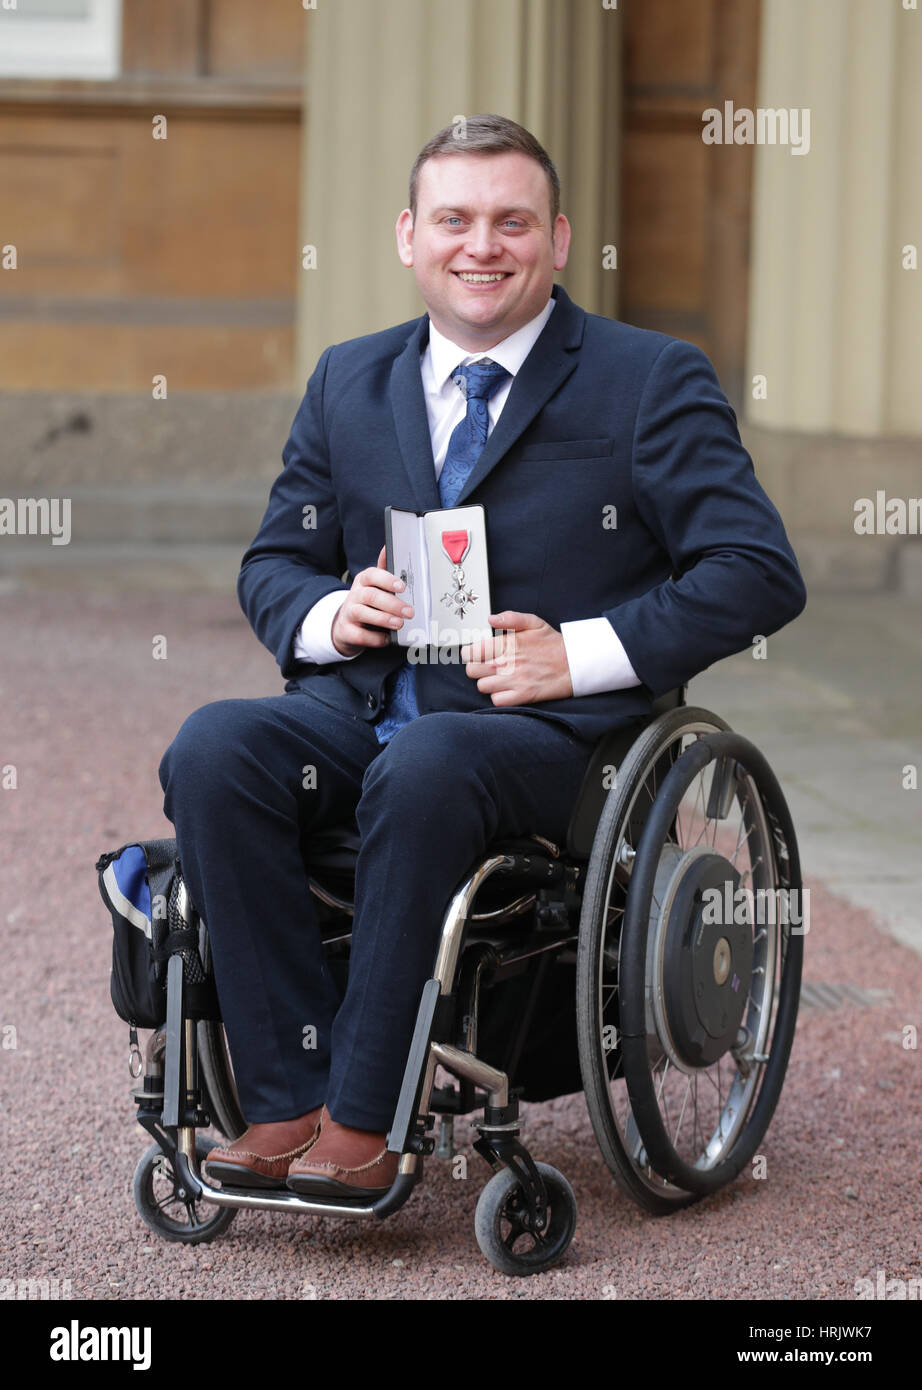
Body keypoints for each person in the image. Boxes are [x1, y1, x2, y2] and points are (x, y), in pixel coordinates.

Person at [158, 114, 806, 1201]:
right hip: (362, 713)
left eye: (511, 222)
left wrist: (579, 653)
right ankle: (283, 1100)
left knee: (432, 766)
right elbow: (273, 561)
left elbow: (757, 570)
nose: (481, 246)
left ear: (556, 239)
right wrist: (331, 612)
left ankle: (367, 1119)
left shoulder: (646, 379)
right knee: (214, 747)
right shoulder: (347, 381)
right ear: (409, 236)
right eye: (453, 219)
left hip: (553, 744)